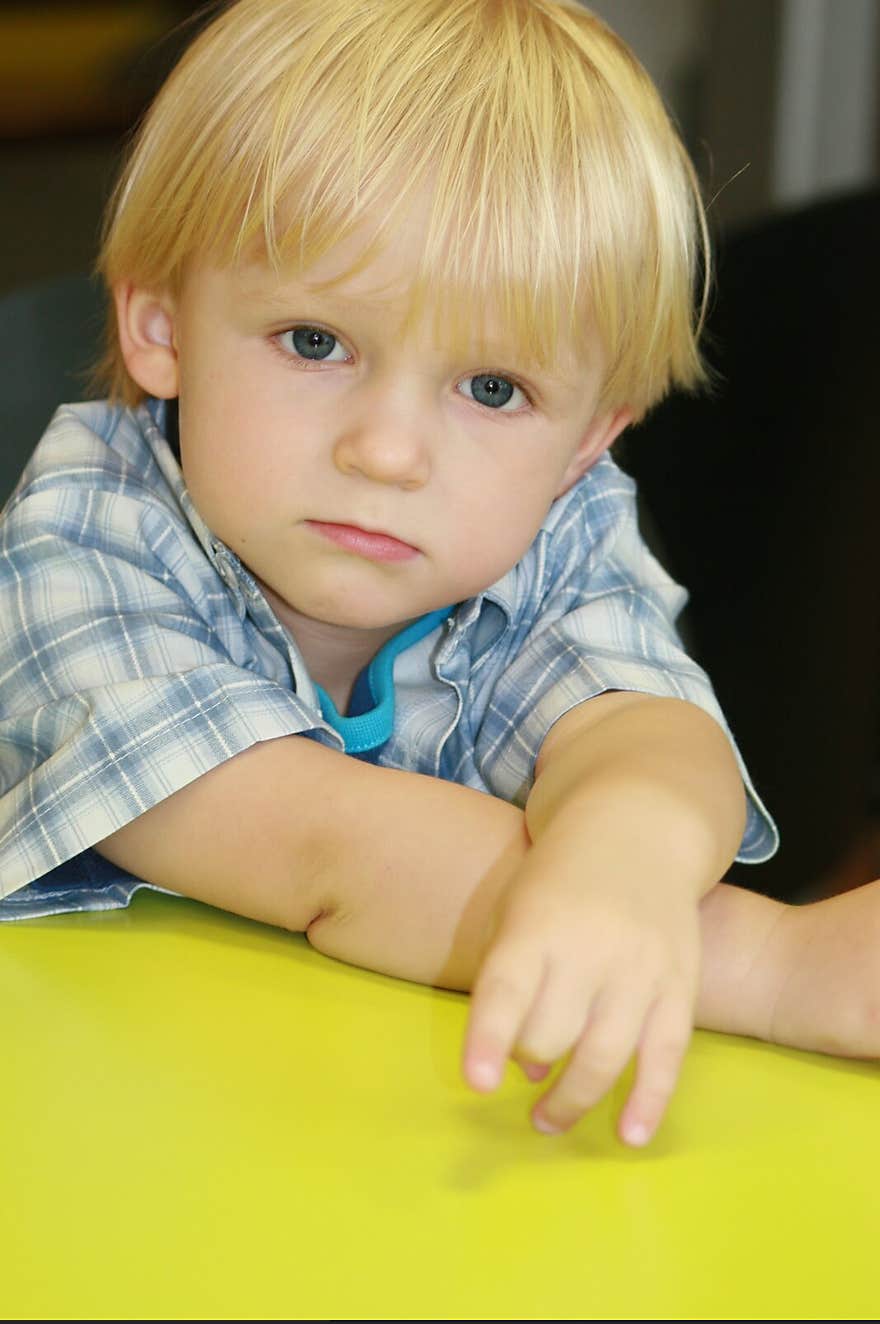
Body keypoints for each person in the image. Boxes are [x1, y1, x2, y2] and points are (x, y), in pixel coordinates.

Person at [0, 0, 872, 1151]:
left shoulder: (552, 520)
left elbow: (644, 725)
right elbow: (327, 845)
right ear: (161, 322)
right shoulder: (83, 538)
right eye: (317, 342)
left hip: (364, 1126)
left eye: (493, 389)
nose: (389, 453)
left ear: (584, 442)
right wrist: (769, 962)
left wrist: (626, 852)